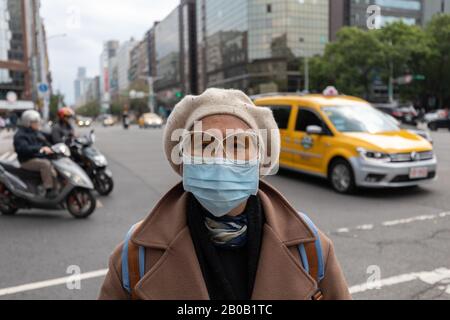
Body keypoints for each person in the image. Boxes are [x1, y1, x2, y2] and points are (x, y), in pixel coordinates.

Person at [99, 88, 351, 300]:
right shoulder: (134, 257)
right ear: (183, 159)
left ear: (260, 160)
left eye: (238, 144)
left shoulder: (312, 249)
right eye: (204, 144)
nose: (220, 158)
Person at [13, 110, 57, 199]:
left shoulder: (35, 132)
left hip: (37, 157)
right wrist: (40, 149)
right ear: (28, 123)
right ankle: (48, 189)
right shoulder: (20, 135)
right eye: (35, 122)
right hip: (27, 160)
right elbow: (23, 149)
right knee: (45, 164)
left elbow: (48, 138)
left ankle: (56, 188)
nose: (38, 124)